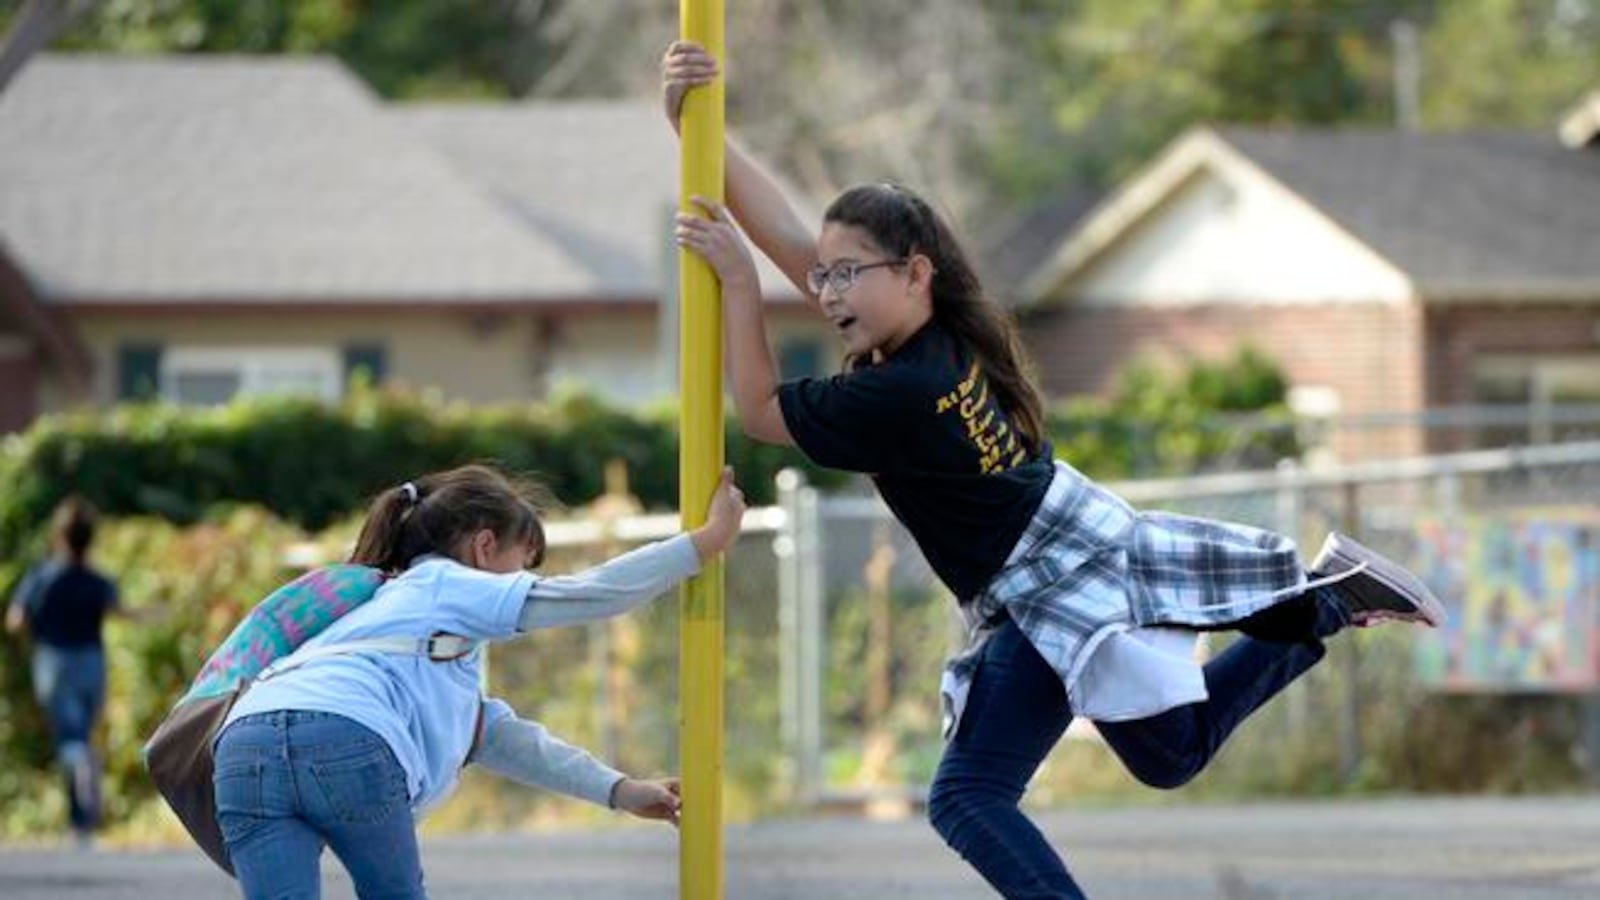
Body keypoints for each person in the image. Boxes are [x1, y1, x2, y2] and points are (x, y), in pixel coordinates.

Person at [662, 42, 1447, 900]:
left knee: (966, 797)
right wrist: (698, 133)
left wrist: (738, 285)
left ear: (915, 274)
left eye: (848, 274)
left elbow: (762, 413)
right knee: (1170, 753)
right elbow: (787, 234)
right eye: (827, 274)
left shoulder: (904, 388)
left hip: (1049, 582)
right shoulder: (933, 335)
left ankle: (1328, 596)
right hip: (1067, 549)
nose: (829, 289)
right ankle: (1331, 595)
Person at [210, 463, 745, 899]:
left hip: (243, 741)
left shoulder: (383, 620)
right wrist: (704, 543)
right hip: (347, 732)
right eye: (524, 564)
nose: (526, 580)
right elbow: (590, 594)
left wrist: (620, 790)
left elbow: (503, 739)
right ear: (484, 547)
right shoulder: (443, 581)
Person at [7, 497, 120, 846]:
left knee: (69, 739)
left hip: (54, 660)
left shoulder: (41, 576)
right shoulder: (99, 580)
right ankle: (82, 822)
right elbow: (119, 611)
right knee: (83, 734)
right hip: (91, 661)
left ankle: (79, 816)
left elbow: (15, 620)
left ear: (59, 536)